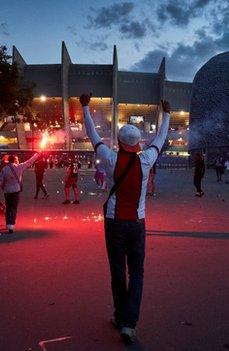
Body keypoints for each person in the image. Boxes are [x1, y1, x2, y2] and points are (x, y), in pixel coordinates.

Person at [81, 92, 170, 344]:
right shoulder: (146, 161)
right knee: (138, 273)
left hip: (113, 223)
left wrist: (85, 107)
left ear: (119, 142)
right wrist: (167, 114)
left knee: (118, 272)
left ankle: (121, 317)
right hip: (138, 224)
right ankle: (129, 324)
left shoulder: (110, 159)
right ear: (138, 143)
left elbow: (92, 135)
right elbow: (160, 140)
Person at [0, 153, 40, 233]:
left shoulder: (4, 169)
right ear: (14, 160)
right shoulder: (19, 167)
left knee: (8, 208)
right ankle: (11, 225)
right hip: (16, 190)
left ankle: (7, 223)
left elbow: (0, 181)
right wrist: (37, 154)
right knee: (14, 208)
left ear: (8, 161)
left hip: (7, 191)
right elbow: (29, 162)